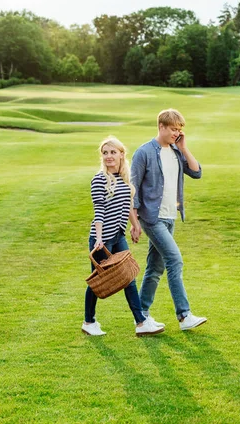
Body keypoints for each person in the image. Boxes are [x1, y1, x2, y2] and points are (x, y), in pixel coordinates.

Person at [131, 108, 207, 331]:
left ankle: (141, 317)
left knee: (155, 267)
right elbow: (132, 189)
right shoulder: (144, 152)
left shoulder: (176, 151)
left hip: (170, 216)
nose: (176, 133)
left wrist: (183, 147)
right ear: (161, 127)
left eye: (179, 130)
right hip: (152, 218)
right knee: (175, 260)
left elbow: (196, 172)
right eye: (173, 129)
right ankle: (184, 316)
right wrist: (134, 223)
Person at [82, 136, 165, 337]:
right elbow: (99, 211)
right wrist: (100, 239)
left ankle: (140, 322)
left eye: (113, 152)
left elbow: (127, 205)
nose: (109, 156)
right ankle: (88, 321)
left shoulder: (124, 179)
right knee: (98, 281)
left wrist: (135, 225)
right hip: (102, 240)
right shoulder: (99, 179)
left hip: (118, 237)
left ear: (121, 154)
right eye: (105, 153)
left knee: (129, 277)